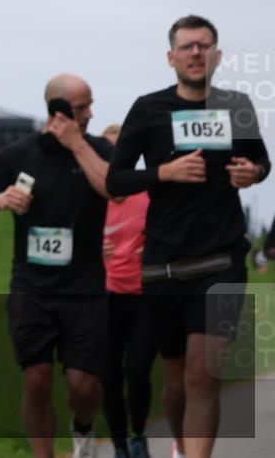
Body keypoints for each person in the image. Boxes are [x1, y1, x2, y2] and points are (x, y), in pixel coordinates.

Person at [106, 15, 270, 458]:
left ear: (217, 55)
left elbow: (261, 162)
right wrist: (163, 173)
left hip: (220, 262)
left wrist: (252, 172)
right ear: (171, 57)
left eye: (204, 45)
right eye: (187, 46)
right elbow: (115, 181)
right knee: (176, 382)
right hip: (164, 266)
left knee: (203, 376)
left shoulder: (236, 105)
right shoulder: (148, 109)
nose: (196, 53)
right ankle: (181, 447)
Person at [0, 73, 112, 458]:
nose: (91, 113)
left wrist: (78, 145)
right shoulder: (19, 155)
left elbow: (113, 189)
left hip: (85, 291)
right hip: (32, 289)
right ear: (57, 110)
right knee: (37, 379)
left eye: (90, 105)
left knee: (83, 385)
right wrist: (1, 199)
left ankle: (83, 427)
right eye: (82, 108)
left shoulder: (99, 151)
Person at [100, 124, 155, 458]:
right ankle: (120, 445)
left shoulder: (148, 194)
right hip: (105, 297)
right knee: (108, 377)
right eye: (106, 151)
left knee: (137, 370)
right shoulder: (94, 195)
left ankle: (138, 435)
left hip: (143, 296)